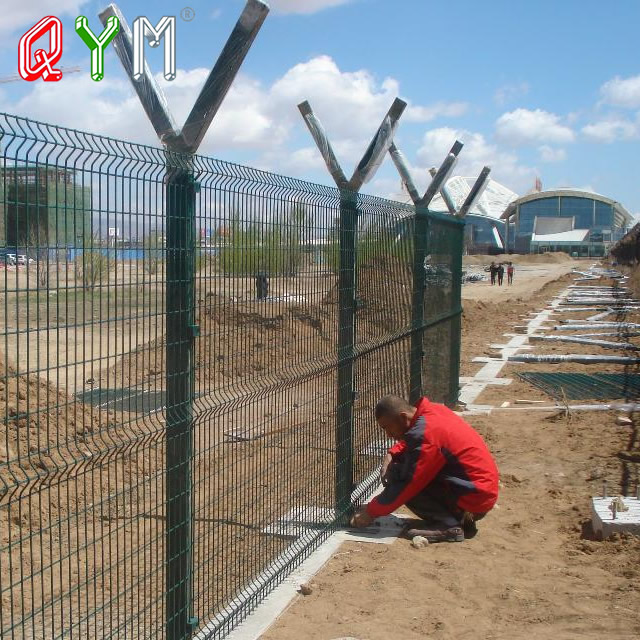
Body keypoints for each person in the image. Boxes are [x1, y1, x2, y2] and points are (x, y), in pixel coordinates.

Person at [350, 395, 499, 543]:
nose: (388, 434)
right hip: (479, 491)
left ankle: (448, 525)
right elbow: (417, 441)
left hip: (474, 499)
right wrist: (392, 453)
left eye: (387, 428)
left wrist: (371, 512)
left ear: (403, 417)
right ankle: (454, 517)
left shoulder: (426, 434)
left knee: (399, 476)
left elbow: (408, 482)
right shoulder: (433, 411)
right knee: (402, 464)